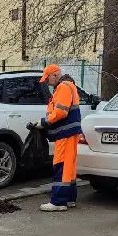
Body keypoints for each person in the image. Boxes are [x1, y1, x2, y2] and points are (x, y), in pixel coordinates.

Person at [37, 64, 82, 212]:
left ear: (55, 75)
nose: (47, 82)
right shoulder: (69, 86)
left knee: (61, 165)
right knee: (69, 168)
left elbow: (61, 112)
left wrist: (44, 122)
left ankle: (58, 202)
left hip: (65, 133)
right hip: (70, 133)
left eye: (47, 78)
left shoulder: (63, 87)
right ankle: (69, 199)